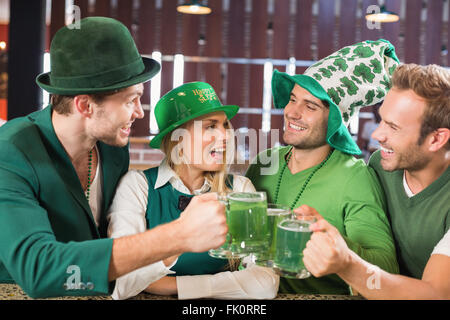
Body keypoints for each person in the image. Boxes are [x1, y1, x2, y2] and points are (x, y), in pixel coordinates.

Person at [0, 17, 228, 298]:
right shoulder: (11, 151)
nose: (140, 112)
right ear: (85, 105)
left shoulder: (113, 147)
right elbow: (37, 269)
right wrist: (178, 235)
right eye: (130, 100)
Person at [246, 39, 400, 294]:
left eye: (310, 106)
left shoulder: (355, 177)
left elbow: (386, 270)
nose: (292, 113)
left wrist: (333, 243)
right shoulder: (264, 162)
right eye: (293, 99)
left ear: (334, 122)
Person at [107, 81, 279, 300]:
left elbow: (265, 283)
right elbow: (124, 282)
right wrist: (225, 284)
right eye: (210, 126)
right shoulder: (137, 186)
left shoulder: (239, 188)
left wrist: (171, 286)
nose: (226, 136)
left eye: (225, 125)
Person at [302, 63, 450, 299]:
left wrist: (347, 264)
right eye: (382, 121)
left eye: (393, 127)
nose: (377, 135)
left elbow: (437, 294)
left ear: (436, 139)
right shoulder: (381, 166)